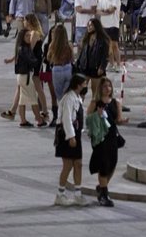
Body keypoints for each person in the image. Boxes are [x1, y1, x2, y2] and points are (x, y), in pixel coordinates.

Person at [87, 78, 128, 207]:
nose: (107, 89)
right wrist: (97, 115)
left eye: (109, 86)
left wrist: (123, 121)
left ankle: (101, 187)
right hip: (100, 137)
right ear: (100, 88)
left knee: (113, 163)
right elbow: (88, 119)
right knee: (103, 165)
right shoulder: (95, 103)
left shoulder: (116, 103)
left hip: (112, 136)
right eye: (105, 86)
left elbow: (117, 120)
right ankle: (104, 195)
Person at [54, 74, 89, 207]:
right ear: (78, 85)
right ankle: (60, 194)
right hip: (67, 136)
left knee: (78, 164)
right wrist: (71, 137)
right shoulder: (69, 98)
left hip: (76, 135)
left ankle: (78, 194)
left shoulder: (78, 98)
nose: (86, 86)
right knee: (68, 165)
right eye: (84, 84)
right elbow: (66, 119)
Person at [7, 27, 46, 128]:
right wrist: (39, 60)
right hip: (26, 76)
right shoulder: (24, 49)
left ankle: (23, 120)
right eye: (27, 36)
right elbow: (32, 61)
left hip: (23, 76)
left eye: (29, 35)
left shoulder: (21, 48)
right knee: (33, 99)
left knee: (22, 100)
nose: (29, 37)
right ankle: (39, 120)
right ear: (22, 37)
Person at [76, 18, 110, 99]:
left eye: (91, 25)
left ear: (96, 26)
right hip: (85, 67)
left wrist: (102, 67)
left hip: (96, 69)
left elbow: (105, 56)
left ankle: (95, 109)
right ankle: (79, 109)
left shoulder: (103, 40)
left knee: (96, 92)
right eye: (88, 25)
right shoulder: (86, 38)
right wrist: (78, 64)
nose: (89, 27)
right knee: (81, 91)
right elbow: (81, 54)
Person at [48, 24, 74, 126]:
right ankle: (69, 116)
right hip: (67, 68)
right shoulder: (68, 45)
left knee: (60, 96)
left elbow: (49, 58)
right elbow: (72, 58)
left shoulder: (52, 45)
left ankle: (61, 116)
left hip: (57, 69)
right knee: (67, 94)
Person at [97, 0, 122, 72]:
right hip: (104, 25)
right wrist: (105, 11)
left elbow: (112, 10)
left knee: (115, 45)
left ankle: (118, 64)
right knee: (107, 46)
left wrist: (104, 11)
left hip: (113, 24)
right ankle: (111, 64)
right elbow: (98, 11)